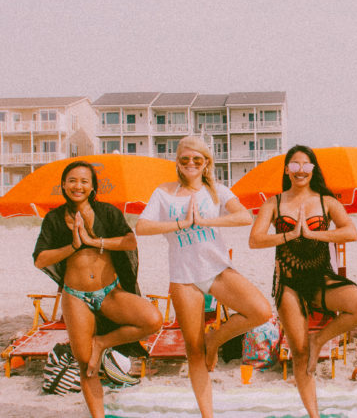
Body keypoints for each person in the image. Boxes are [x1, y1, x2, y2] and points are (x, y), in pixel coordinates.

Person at [136, 136, 271, 418]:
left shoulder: (217, 191)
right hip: (183, 277)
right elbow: (142, 226)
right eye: (185, 159)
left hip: (217, 269)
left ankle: (215, 340)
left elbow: (244, 217)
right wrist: (180, 224)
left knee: (260, 311)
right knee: (193, 351)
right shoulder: (165, 192)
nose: (191, 164)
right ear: (177, 162)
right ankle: (207, 414)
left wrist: (205, 221)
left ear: (206, 162)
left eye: (197, 159)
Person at [249, 145, 357, 418]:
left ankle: (320, 340)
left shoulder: (327, 202)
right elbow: (255, 239)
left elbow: (351, 232)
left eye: (306, 165)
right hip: (289, 282)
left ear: (313, 169)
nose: (301, 170)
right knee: (299, 352)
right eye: (295, 165)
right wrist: (289, 236)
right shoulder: (274, 203)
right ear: (287, 170)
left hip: (320, 277)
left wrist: (313, 235)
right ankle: (313, 414)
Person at [32, 161, 162, 418]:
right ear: (63, 185)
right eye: (72, 180)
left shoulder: (107, 213)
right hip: (75, 296)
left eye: (83, 181)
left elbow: (129, 241)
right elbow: (40, 259)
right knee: (85, 365)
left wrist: (93, 241)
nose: (77, 186)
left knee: (152, 319)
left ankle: (101, 343)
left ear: (92, 187)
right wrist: (74, 245)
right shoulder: (55, 218)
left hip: (109, 292)